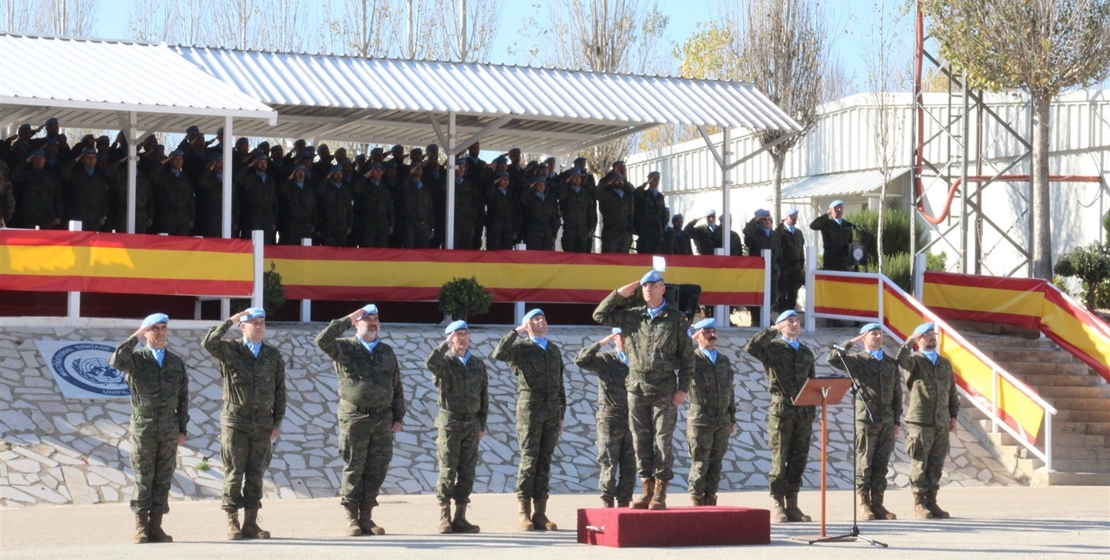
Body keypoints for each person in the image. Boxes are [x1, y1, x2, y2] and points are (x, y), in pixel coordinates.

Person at [592, 270, 694, 510]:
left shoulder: (676, 318)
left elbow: (688, 359)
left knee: (662, 440)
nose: (648, 290)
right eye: (645, 286)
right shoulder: (632, 316)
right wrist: (618, 294)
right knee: (640, 440)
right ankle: (646, 488)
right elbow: (599, 315)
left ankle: (660, 491)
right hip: (636, 387)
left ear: (662, 289)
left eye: (653, 285)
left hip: (664, 388)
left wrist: (683, 389)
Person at [314, 305, 406, 536]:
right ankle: (351, 518)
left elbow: (395, 385)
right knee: (354, 466)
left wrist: (398, 415)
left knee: (376, 468)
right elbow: (322, 340)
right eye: (367, 319)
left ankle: (367, 517)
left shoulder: (386, 351)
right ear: (357, 323)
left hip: (382, 418)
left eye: (376, 319)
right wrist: (347, 318)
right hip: (355, 416)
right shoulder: (344, 347)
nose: (373, 323)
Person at [202, 308, 287, 540]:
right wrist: (231, 319)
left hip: (262, 423)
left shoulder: (272, 355)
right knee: (234, 471)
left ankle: (251, 522)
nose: (259, 326)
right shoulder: (231, 350)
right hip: (235, 421)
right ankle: (232, 521)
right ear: (243, 327)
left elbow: (280, 390)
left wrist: (276, 421)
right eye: (254, 323)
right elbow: (208, 342)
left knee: (256, 473)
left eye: (262, 322)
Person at [107, 313, 189, 544]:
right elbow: (116, 361)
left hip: (169, 427)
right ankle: (141, 527)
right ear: (146, 332)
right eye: (155, 328)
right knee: (144, 477)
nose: (160, 332)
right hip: (144, 426)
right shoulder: (136, 359)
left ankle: (156, 527)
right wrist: (135, 335)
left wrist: (182, 428)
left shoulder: (175, 362)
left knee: (163, 479)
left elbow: (183, 397)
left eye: (163, 328)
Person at [492, 309, 565, 531]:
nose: (541, 321)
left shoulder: (553, 350)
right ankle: (524, 511)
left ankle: (540, 512)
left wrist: (561, 414)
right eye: (535, 319)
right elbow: (499, 354)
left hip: (552, 410)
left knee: (545, 460)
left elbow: (560, 384)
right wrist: (516, 332)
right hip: (530, 408)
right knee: (529, 459)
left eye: (543, 317)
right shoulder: (521, 348)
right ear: (527, 325)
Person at [744, 310, 816, 523]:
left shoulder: (806, 352)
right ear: (782, 325)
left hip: (803, 412)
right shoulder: (773, 348)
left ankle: (793, 503)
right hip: (781, 410)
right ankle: (778, 504)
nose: (795, 324)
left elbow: (811, 382)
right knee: (780, 458)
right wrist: (773, 329)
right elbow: (752, 347)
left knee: (798, 459)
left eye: (797, 321)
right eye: (790, 321)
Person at [828, 323, 903, 521]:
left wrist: (896, 420)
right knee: (865, 462)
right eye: (873, 334)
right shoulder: (857, 361)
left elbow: (897, 393)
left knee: (881, 463)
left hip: (886, 419)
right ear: (864, 339)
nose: (878, 337)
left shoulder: (890, 363)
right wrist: (850, 342)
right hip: (866, 418)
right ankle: (864, 504)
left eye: (880, 334)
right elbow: (834, 359)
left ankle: (878, 504)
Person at [425, 320, 488, 534]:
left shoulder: (477, 364)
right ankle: (444, 516)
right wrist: (445, 345)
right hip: (450, 422)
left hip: (471, 423)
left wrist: (482, 424)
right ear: (450, 337)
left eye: (465, 334)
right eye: (457, 334)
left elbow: (484, 396)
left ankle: (460, 516)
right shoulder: (444, 362)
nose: (462, 338)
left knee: (467, 471)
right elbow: (430, 363)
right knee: (448, 469)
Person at [897, 322, 959, 519]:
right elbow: (901, 359)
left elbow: (951, 391)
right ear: (919, 339)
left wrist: (953, 416)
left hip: (940, 421)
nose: (932, 338)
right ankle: (919, 503)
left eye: (934, 334)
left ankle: (932, 502)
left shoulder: (944, 363)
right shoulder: (914, 361)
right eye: (927, 335)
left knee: (936, 463)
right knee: (920, 463)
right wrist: (909, 341)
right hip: (921, 420)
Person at [574, 328, 634, 508]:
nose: (625, 340)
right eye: (621, 336)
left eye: (628, 336)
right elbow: (581, 360)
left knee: (630, 463)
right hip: (610, 417)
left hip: (633, 417)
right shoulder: (606, 359)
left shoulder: (638, 359)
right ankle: (607, 500)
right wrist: (601, 343)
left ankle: (624, 501)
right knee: (608, 460)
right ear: (615, 338)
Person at [685, 318, 736, 506]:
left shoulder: (723, 360)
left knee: (716, 463)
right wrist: (689, 341)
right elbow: (677, 358)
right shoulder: (693, 359)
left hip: (721, 419)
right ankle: (697, 499)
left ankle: (711, 498)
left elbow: (730, 390)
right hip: (701, 418)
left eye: (713, 331)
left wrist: (732, 417)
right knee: (700, 462)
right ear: (698, 336)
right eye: (706, 332)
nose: (712, 335)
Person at [744, 209, 782, 323]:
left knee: (771, 295)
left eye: (769, 219)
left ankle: (766, 317)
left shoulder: (774, 234)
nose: (767, 222)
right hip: (758, 270)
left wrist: (779, 268)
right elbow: (746, 232)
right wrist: (754, 220)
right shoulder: (753, 233)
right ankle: (756, 319)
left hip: (773, 270)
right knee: (757, 294)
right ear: (758, 221)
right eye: (764, 219)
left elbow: (779, 252)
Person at [809, 200, 857, 271]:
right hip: (830, 261)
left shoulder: (847, 225)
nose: (839, 210)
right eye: (837, 208)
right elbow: (813, 226)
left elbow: (850, 242)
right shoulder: (826, 223)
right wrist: (827, 214)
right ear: (831, 210)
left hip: (843, 262)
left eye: (841, 208)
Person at [597, 164, 635, 253]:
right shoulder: (606, 194)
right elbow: (598, 191)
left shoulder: (627, 195)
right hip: (611, 233)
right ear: (612, 181)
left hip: (625, 233)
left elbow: (631, 211)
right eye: (617, 179)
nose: (620, 181)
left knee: (623, 261)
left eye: (621, 179)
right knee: (609, 260)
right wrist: (610, 176)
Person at [276, 164, 317, 245]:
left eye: (302, 172)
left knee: (306, 252)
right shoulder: (289, 187)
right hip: (291, 227)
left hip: (306, 226)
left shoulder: (309, 189)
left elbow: (314, 208)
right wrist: (289, 179)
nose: (301, 174)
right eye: (298, 172)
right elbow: (280, 191)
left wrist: (313, 223)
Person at [558, 169, 596, 253]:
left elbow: (590, 212)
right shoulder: (566, 191)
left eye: (579, 177)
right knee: (569, 255)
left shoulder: (585, 193)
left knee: (581, 256)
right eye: (574, 177)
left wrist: (591, 228)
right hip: (569, 229)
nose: (577, 179)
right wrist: (565, 182)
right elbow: (560, 195)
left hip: (583, 230)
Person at [776, 208, 806, 312]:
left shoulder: (798, 232)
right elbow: (776, 237)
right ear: (786, 217)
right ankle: (782, 314)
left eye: (796, 216)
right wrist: (782, 223)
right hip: (784, 267)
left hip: (795, 268)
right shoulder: (781, 231)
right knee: (782, 294)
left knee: (793, 293)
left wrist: (801, 267)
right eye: (792, 216)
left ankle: (790, 313)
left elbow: (801, 250)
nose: (794, 218)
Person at [519, 176, 560, 251]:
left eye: (543, 185)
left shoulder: (549, 200)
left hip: (547, 233)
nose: (541, 187)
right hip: (533, 233)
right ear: (535, 186)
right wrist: (529, 187)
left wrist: (554, 234)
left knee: (547, 257)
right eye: (539, 185)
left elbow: (554, 217)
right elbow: (522, 199)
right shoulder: (530, 198)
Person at [633, 171, 667, 254]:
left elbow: (663, 214)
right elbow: (635, 194)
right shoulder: (644, 194)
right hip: (645, 231)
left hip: (657, 233)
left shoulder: (660, 197)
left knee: (657, 256)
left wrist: (662, 229)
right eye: (654, 179)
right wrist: (646, 183)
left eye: (658, 180)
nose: (656, 182)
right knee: (645, 256)